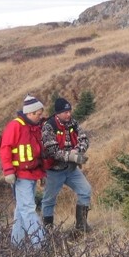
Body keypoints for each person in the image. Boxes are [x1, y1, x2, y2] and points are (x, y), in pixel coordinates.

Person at [0, 94, 47, 247]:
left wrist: (42, 173)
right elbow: (5, 148)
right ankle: (40, 245)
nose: (40, 117)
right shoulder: (15, 126)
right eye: (38, 114)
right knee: (28, 209)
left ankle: (16, 245)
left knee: (21, 209)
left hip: (31, 174)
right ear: (30, 113)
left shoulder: (34, 127)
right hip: (20, 176)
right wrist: (8, 171)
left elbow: (38, 152)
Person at [41, 97, 92, 232]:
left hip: (71, 169)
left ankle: (81, 227)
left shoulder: (73, 123)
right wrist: (70, 156)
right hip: (54, 171)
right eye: (65, 112)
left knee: (85, 191)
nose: (68, 114)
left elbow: (84, 139)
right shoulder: (48, 126)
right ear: (57, 113)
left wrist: (78, 151)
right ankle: (48, 232)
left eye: (69, 111)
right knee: (49, 201)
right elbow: (51, 150)